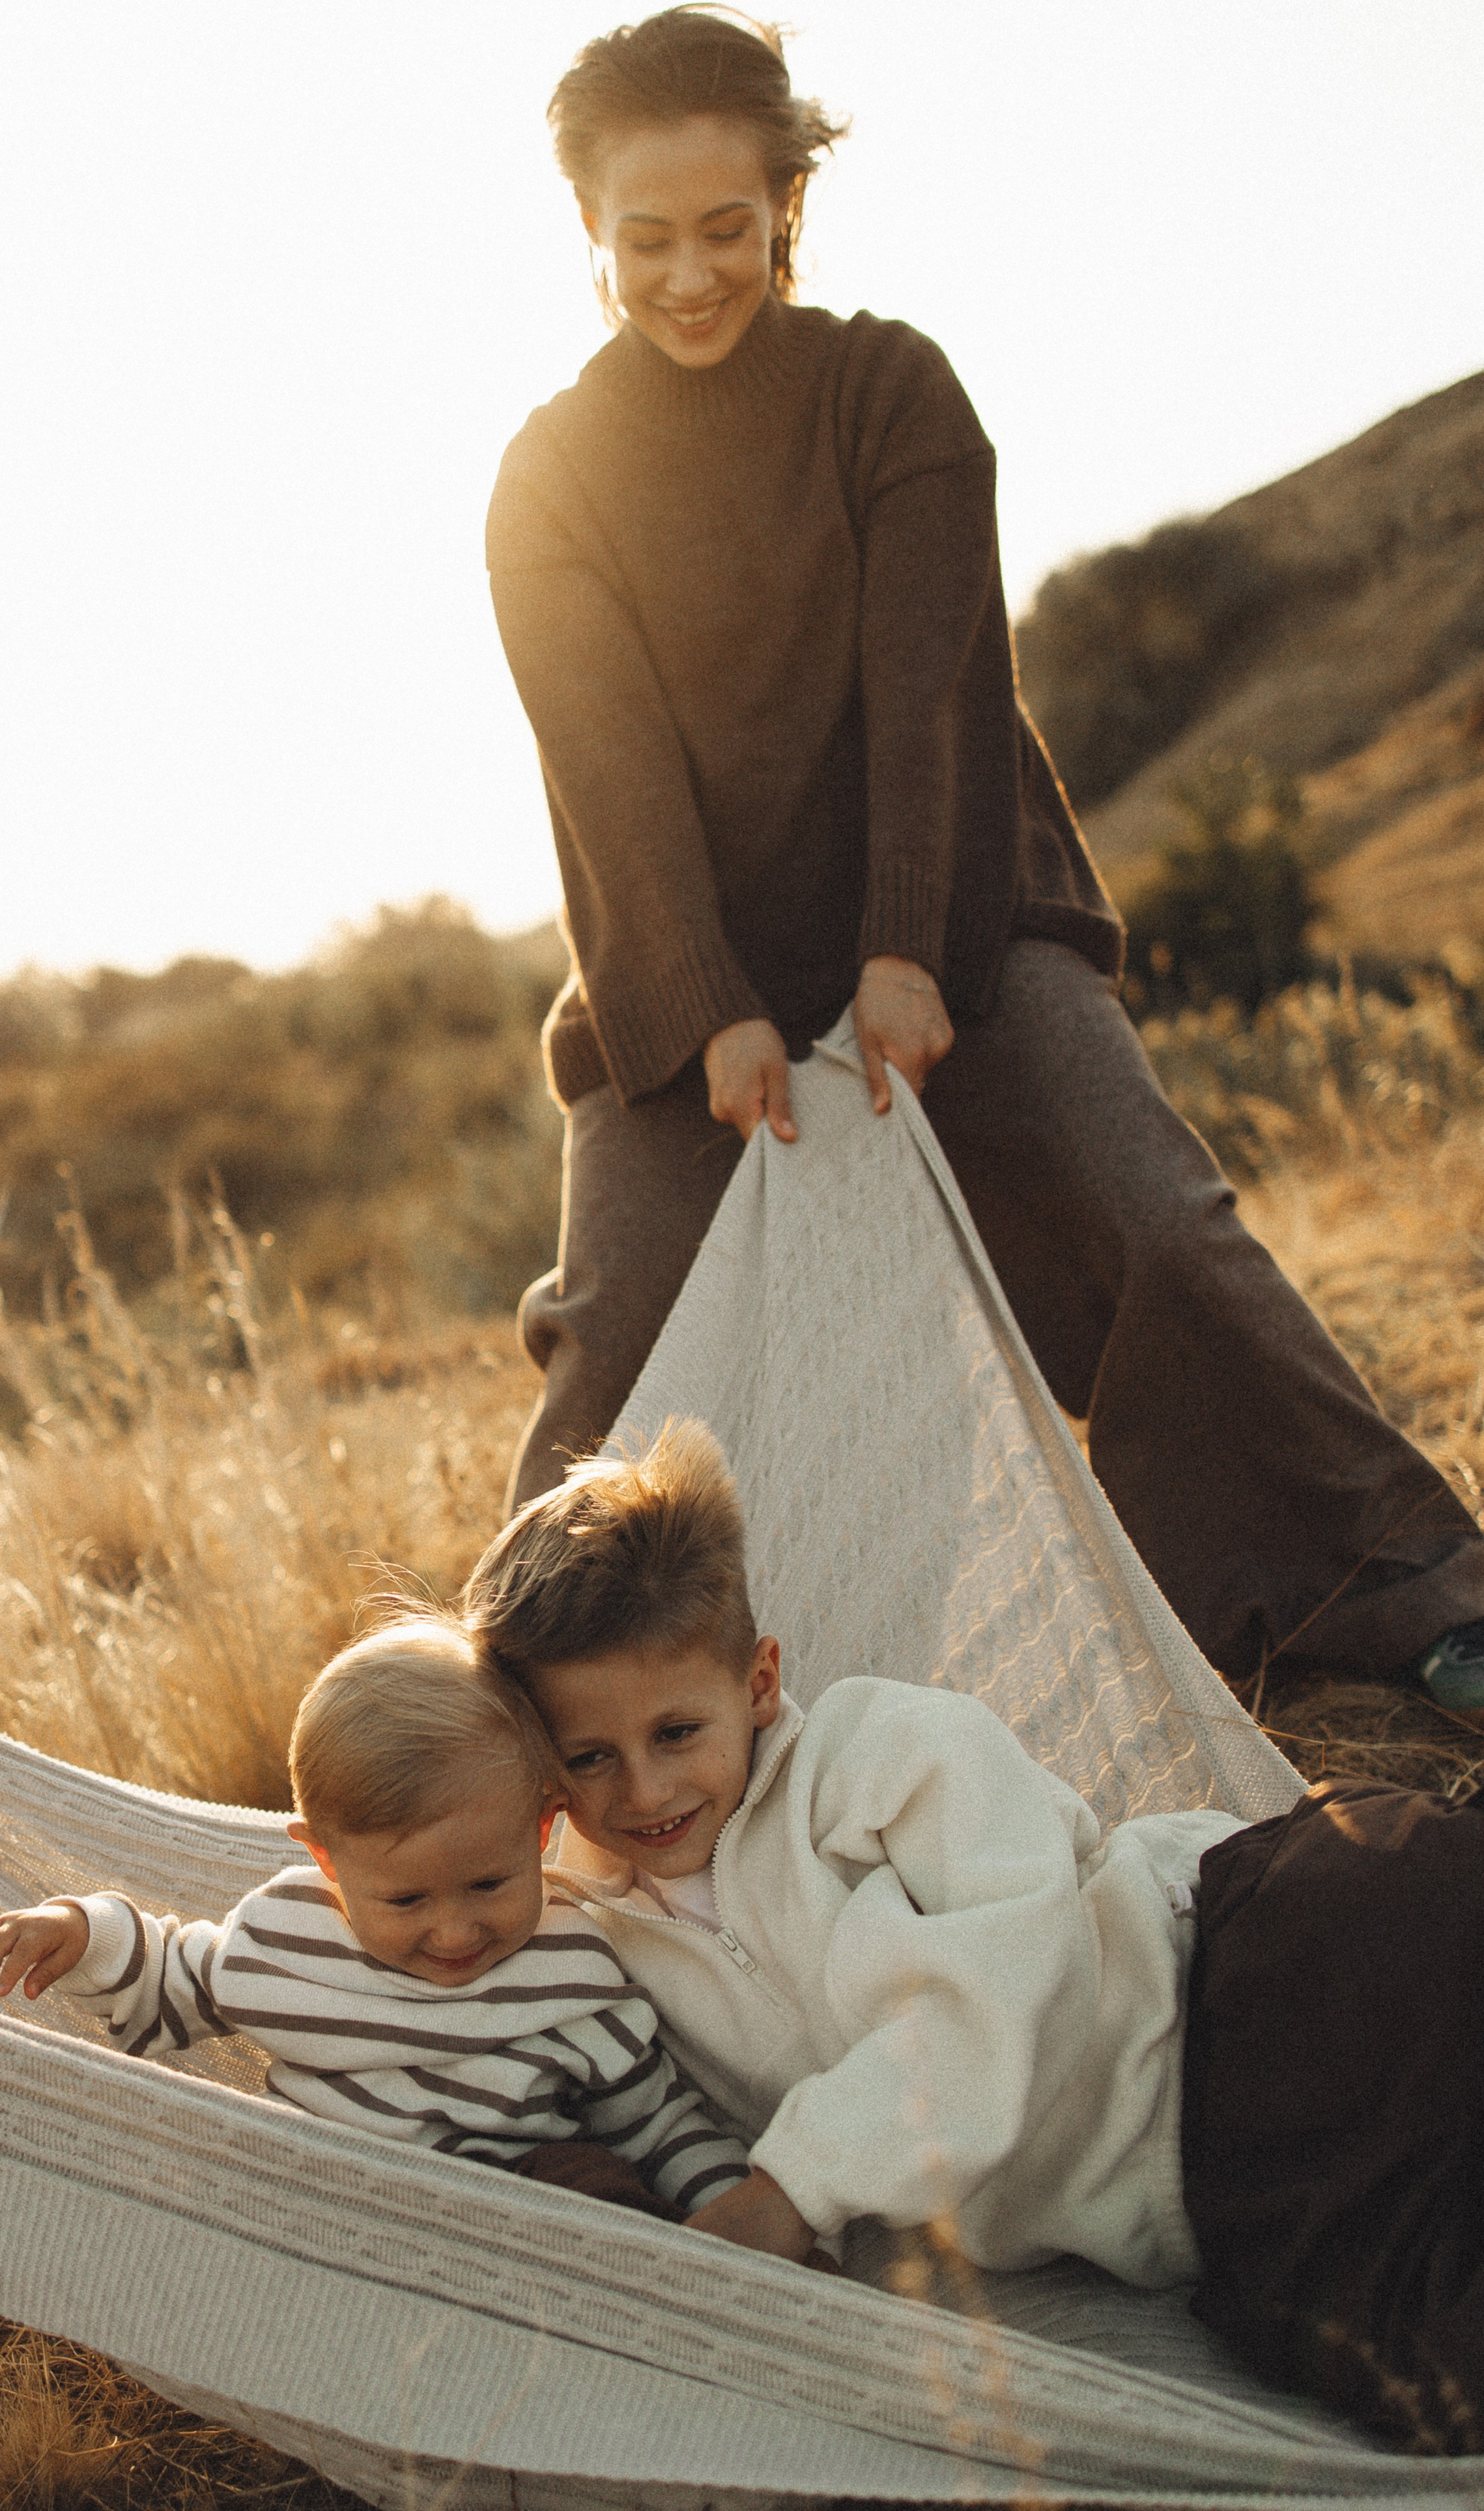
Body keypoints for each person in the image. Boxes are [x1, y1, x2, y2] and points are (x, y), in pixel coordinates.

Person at [484, 4, 1484, 1706]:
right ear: (589, 226)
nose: (691, 274)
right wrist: (712, 1003)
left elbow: (932, 696)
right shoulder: (550, 476)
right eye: (646, 239)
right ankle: (523, 1723)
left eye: (727, 227)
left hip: (956, 908)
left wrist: (905, 951)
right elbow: (610, 779)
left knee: (1156, 1225)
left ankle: (1393, 1604)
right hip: (679, 971)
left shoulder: (891, 391)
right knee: (620, 1346)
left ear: (787, 205)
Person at [464, 1420, 1484, 2452]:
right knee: (1429, 2365)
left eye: (677, 1733)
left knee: (1425, 1914)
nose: (645, 1790)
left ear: (759, 1683)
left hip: (1232, 1963)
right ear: (541, 1766)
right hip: (1217, 2192)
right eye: (589, 1756)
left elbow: (1019, 1967)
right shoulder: (587, 1941)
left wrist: (797, 2188)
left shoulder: (879, 1754)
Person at [0, 1616, 749, 2223]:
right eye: (406, 1900)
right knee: (225, 2174)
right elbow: (169, 1977)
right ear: (327, 1859)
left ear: (541, 1828)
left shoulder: (575, 1965)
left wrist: (736, 2211)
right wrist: (81, 1931)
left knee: (594, 2180)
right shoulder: (285, 1938)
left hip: (519, 2220)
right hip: (332, 2208)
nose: (455, 1931)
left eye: (488, 1883)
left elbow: (655, 2121)